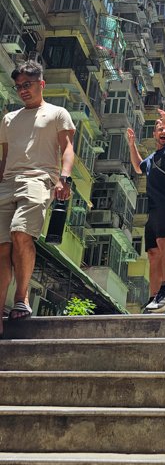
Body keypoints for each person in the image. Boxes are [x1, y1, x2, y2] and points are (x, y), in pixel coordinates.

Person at [0, 60, 75, 336]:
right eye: (19, 86)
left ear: (41, 84)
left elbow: (67, 148)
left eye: (27, 85)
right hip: (7, 183)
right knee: (1, 247)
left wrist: (63, 178)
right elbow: (5, 158)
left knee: (21, 233)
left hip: (39, 179)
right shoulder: (9, 119)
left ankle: (22, 296)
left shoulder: (57, 113)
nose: (22, 90)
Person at [127, 110, 165, 313]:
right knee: (152, 252)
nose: (163, 131)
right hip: (152, 207)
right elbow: (137, 167)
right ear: (154, 134)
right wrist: (131, 144)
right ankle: (153, 297)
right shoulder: (152, 157)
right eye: (159, 129)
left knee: (164, 243)